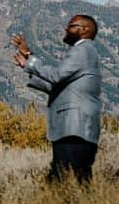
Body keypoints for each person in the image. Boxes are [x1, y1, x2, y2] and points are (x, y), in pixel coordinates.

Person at [12, 15, 102, 182]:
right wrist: (28, 65)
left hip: (73, 127)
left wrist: (31, 60)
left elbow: (56, 75)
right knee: (76, 182)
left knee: (65, 181)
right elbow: (59, 86)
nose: (66, 29)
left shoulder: (82, 50)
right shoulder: (88, 52)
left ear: (85, 30)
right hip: (78, 128)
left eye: (71, 25)